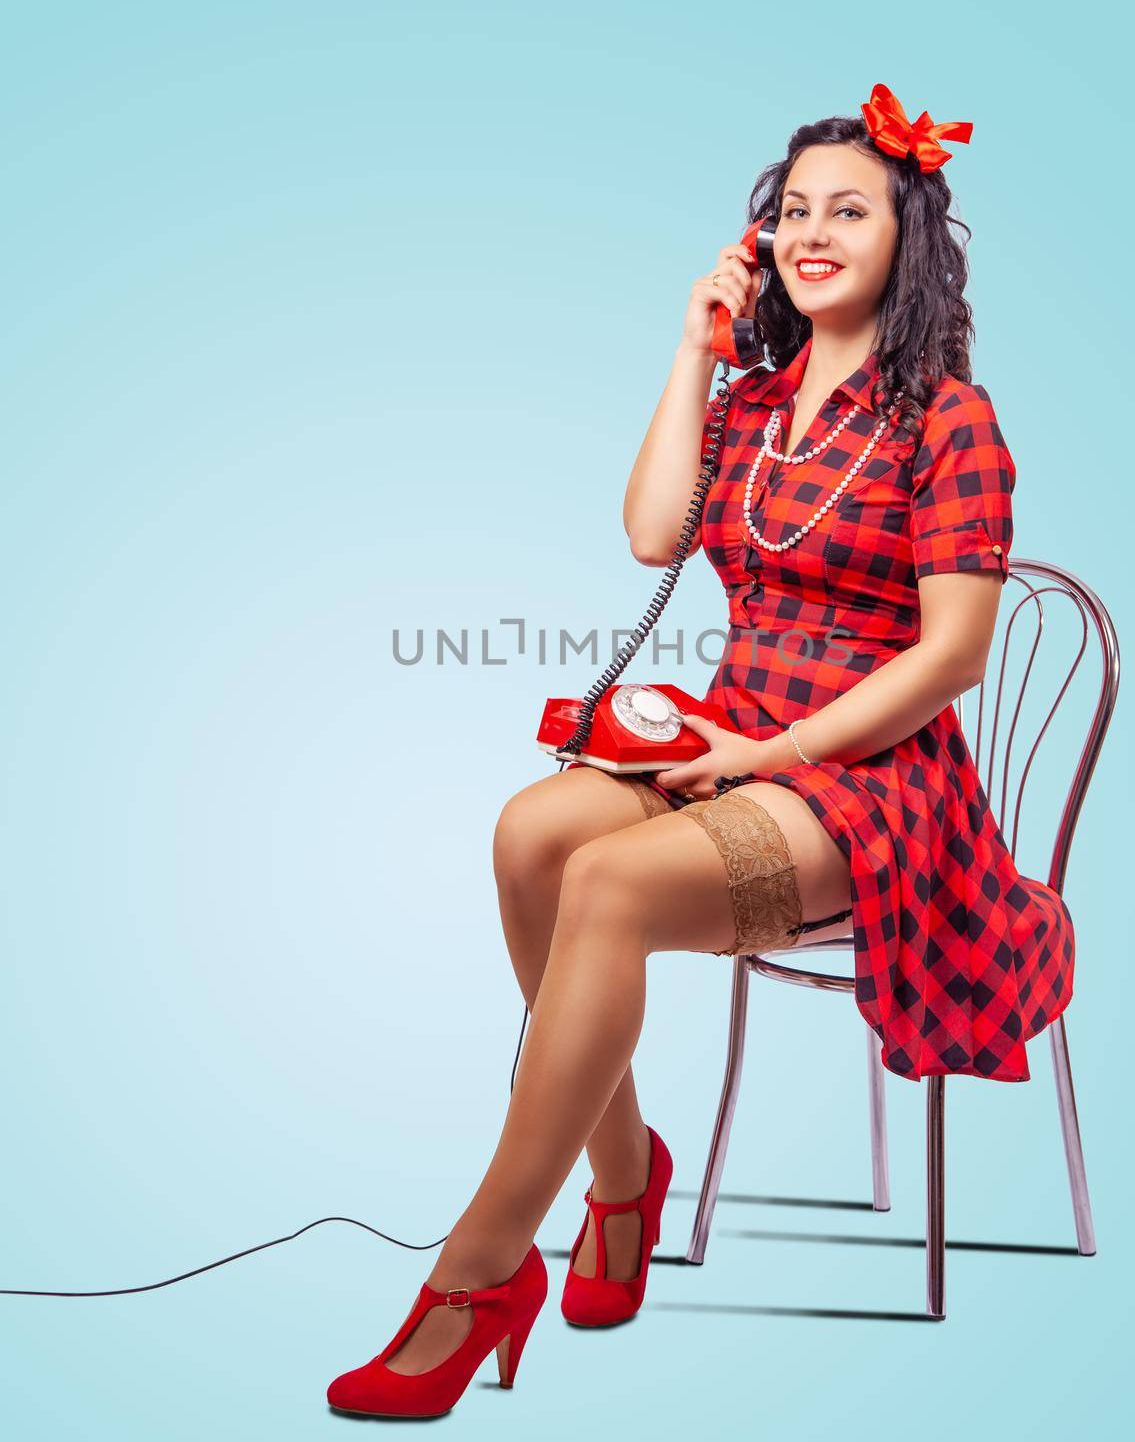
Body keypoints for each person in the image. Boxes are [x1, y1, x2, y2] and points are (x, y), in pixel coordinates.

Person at [326, 83, 1075, 1418]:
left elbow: (951, 655)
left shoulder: (949, 422)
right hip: (733, 742)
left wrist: (763, 752)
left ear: (907, 236)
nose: (811, 231)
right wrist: (691, 348)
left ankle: (476, 1272)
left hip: (873, 785)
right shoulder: (752, 397)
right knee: (529, 832)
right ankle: (625, 1176)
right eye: (791, 211)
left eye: (846, 208)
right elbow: (649, 533)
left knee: (605, 886)